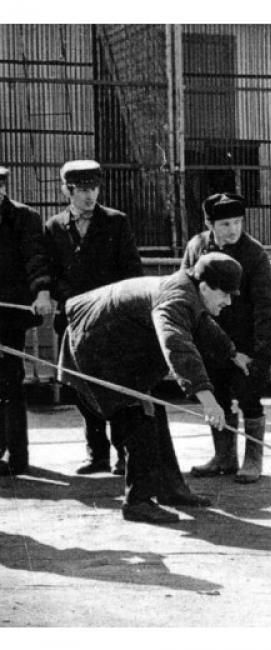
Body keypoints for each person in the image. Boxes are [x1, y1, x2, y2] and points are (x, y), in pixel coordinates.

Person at [58, 253, 251, 523]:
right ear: (205, 287)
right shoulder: (176, 299)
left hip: (113, 344)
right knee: (139, 416)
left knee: (153, 410)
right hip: (95, 346)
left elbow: (201, 324)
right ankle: (137, 501)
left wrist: (231, 353)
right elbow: (178, 345)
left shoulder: (189, 290)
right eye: (226, 294)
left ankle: (169, 489)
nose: (229, 301)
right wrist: (207, 399)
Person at [44, 160, 144, 476]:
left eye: (94, 189)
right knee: (81, 389)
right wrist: (64, 296)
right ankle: (96, 455)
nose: (90, 197)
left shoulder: (116, 222)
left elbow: (131, 271)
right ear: (67, 190)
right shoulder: (54, 226)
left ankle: (124, 456)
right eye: (83, 190)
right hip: (73, 322)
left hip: (110, 322)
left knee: (115, 389)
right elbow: (50, 271)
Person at [182, 193, 271, 484]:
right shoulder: (196, 247)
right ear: (209, 223)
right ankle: (223, 457)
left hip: (245, 342)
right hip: (208, 339)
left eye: (237, 222)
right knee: (217, 396)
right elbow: (186, 290)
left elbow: (267, 307)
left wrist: (262, 354)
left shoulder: (254, 253)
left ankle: (252, 460)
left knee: (250, 397)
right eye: (225, 224)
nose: (233, 230)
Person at [0, 166, 54, 475]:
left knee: (10, 382)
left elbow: (36, 258)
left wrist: (42, 293)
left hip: (8, 316)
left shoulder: (24, 218)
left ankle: (18, 456)